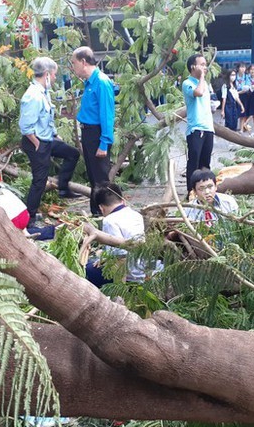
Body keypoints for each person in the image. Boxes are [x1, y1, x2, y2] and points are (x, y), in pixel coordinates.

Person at [19, 56, 81, 230]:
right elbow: (26, 126)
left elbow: (46, 118)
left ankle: (63, 188)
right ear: (46, 74)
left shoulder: (43, 92)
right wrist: (36, 143)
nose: (55, 78)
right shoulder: (33, 96)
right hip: (36, 142)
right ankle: (29, 217)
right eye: (54, 75)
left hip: (47, 138)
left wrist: (55, 135)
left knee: (72, 153)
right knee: (40, 180)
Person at [82, 184, 158, 288]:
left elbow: (120, 258)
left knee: (84, 269)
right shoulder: (136, 214)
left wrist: (119, 290)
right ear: (123, 200)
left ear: (101, 208)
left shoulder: (109, 221)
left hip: (128, 276)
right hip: (141, 270)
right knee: (95, 261)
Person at [70, 46, 116, 216]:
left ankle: (106, 213)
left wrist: (104, 142)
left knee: (101, 179)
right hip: (89, 133)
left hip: (97, 134)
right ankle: (96, 212)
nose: (73, 67)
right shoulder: (89, 82)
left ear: (83, 62)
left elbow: (107, 114)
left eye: (74, 63)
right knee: (93, 178)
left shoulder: (101, 82)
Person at [182, 53, 215, 194]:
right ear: (192, 66)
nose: (204, 67)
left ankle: (206, 191)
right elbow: (198, 93)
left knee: (205, 163)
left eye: (205, 64)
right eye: (201, 64)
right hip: (196, 129)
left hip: (208, 127)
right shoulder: (187, 83)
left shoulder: (205, 84)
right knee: (194, 163)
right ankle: (191, 192)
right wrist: (201, 76)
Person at [235, 63, 251, 133]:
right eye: (241, 67)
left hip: (243, 95)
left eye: (244, 67)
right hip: (235, 94)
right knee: (235, 111)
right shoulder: (235, 76)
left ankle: (241, 129)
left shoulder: (246, 77)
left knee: (242, 112)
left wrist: (238, 93)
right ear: (238, 68)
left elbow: (247, 88)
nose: (243, 69)